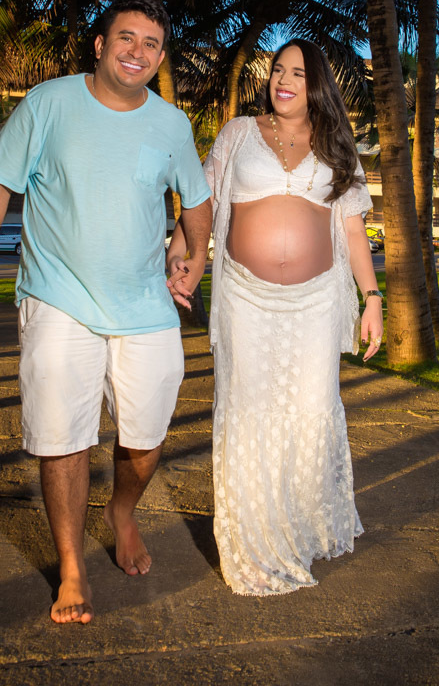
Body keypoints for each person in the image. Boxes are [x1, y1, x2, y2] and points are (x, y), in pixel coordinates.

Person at [0, 0, 212, 625]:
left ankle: (121, 510)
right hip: (58, 296)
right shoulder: (49, 103)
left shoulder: (172, 124)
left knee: (148, 436)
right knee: (63, 435)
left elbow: (196, 203)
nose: (138, 51)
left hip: (145, 304)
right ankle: (72, 567)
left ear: (159, 58)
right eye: (126, 37)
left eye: (152, 43)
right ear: (99, 45)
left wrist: (197, 256)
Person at [168, 40, 382, 596]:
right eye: (278, 71)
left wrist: (373, 297)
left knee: (310, 410)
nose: (283, 80)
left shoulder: (337, 144)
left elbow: (353, 228)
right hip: (246, 299)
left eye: (298, 73)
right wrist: (185, 255)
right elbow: (205, 201)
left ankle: (298, 526)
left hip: (315, 302)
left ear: (318, 86)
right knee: (249, 412)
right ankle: (254, 543)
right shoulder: (240, 131)